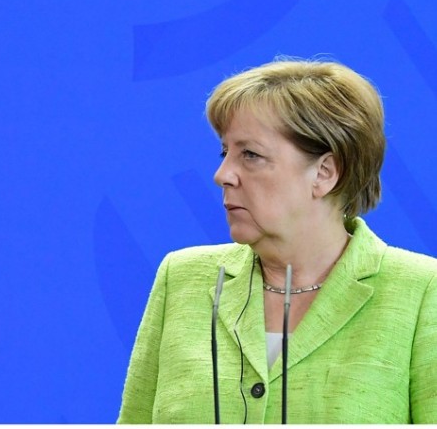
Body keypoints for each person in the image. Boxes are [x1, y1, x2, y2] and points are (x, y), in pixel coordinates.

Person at [118, 59, 437, 424]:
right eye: (226, 152)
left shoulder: (424, 292)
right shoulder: (182, 279)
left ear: (325, 173)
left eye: (250, 155)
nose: (222, 175)